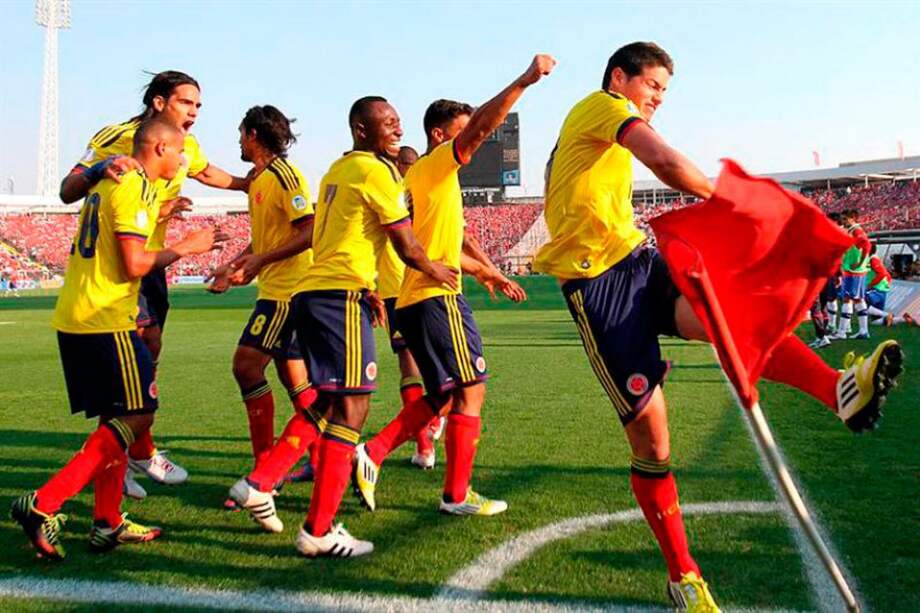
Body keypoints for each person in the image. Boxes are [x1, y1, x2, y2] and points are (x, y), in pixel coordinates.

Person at [532, 42, 903, 611]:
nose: (657, 98)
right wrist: (730, 201)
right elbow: (663, 161)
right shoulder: (602, 107)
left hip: (637, 260)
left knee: (728, 322)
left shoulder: (603, 120)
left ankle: (838, 391)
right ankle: (683, 575)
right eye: (652, 85)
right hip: (597, 287)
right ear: (619, 78)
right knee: (653, 439)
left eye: (663, 91)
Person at [230, 96, 456, 554]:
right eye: (387, 123)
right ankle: (317, 530)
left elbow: (336, 235)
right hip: (337, 299)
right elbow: (406, 243)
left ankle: (261, 480)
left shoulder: (338, 169)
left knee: (330, 404)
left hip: (323, 293)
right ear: (361, 129)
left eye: (398, 122)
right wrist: (434, 268)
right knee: (352, 411)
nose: (397, 129)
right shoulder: (377, 172)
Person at [10, 119, 226, 559]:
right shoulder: (131, 185)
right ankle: (44, 503)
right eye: (179, 151)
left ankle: (107, 522)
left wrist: (162, 216)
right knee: (139, 415)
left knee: (116, 418)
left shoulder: (117, 183)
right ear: (160, 147)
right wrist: (188, 247)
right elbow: (134, 264)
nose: (183, 160)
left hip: (82, 314)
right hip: (104, 319)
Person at [352, 56, 551, 517]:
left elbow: (436, 247)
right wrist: (522, 80)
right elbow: (482, 127)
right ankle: (457, 495)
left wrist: (487, 272)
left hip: (414, 299)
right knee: (472, 387)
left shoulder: (420, 181)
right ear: (440, 136)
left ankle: (373, 453)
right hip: (435, 299)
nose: (473, 144)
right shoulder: (436, 166)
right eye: (462, 133)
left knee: (441, 392)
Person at [58, 71, 249, 498]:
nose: (194, 114)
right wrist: (104, 167)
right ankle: (129, 452)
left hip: (152, 264)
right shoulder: (116, 137)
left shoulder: (186, 145)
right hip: (126, 264)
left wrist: (245, 184)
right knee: (136, 354)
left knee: (150, 349)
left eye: (198, 106)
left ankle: (131, 451)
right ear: (160, 103)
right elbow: (68, 190)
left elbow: (206, 172)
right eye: (187, 103)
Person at [203, 106, 319, 515]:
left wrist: (259, 261)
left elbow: (309, 230)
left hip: (289, 293)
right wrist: (236, 265)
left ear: (253, 134)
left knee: (246, 366)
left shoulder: (286, 176)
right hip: (275, 289)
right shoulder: (258, 182)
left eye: (240, 133)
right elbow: (265, 241)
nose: (238, 141)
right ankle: (326, 456)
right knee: (297, 384)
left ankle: (262, 475)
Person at [832, 209, 872, 339]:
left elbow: (866, 245)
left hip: (854, 271)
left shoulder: (857, 231)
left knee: (847, 299)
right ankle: (863, 331)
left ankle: (842, 332)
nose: (843, 221)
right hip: (853, 271)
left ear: (853, 218)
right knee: (856, 299)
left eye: (845, 219)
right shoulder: (852, 230)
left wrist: (860, 263)